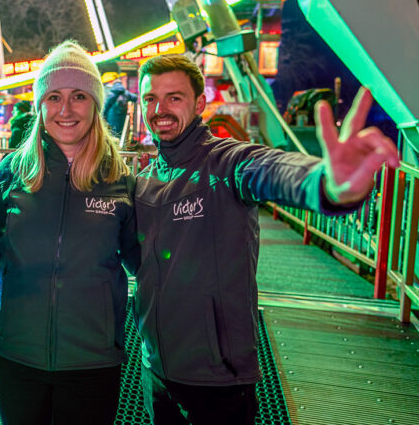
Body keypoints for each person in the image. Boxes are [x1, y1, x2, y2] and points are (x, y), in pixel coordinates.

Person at [133, 54, 399, 425]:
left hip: (218, 378)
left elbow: (270, 169)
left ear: (199, 104)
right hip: (156, 370)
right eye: (150, 98)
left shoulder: (226, 163)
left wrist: (326, 183)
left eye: (174, 98)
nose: (159, 109)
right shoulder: (144, 182)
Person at [0, 40, 140, 425]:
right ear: (40, 106)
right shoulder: (12, 173)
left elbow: (146, 260)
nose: (66, 110)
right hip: (16, 357)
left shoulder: (119, 180)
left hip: (92, 360)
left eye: (79, 97)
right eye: (53, 96)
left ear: (95, 105)